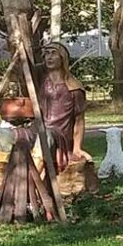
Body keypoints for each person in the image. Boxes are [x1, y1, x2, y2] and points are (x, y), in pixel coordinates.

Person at [35, 42, 90, 174]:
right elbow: (19, 71)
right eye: (46, 54)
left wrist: (77, 148)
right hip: (37, 130)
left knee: (45, 135)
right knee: (4, 135)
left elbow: (79, 121)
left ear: (62, 58)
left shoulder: (74, 87)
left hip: (59, 136)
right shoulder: (40, 78)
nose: (49, 57)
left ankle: (33, 177)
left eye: (53, 53)